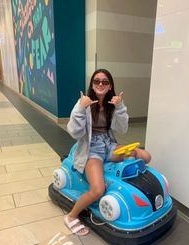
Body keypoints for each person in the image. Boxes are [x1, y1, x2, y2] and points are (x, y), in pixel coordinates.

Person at [64, 69, 151, 235]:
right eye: (96, 81)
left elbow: (122, 129)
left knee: (146, 156)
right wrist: (81, 109)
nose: (100, 84)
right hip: (91, 150)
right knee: (97, 190)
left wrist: (120, 107)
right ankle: (71, 216)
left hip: (108, 145)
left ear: (110, 85)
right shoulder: (84, 102)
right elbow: (74, 132)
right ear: (92, 84)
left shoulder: (113, 103)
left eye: (105, 82)